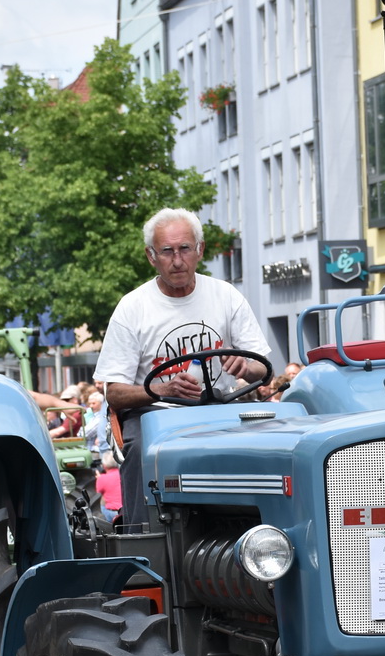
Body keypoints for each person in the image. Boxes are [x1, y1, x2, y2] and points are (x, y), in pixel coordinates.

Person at [93, 208, 271, 529]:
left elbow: (262, 366)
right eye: (167, 251)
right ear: (151, 257)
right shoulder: (133, 308)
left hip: (218, 407)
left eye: (185, 249)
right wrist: (161, 389)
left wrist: (245, 367)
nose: (177, 260)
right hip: (155, 413)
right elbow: (114, 393)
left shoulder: (226, 295)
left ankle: (258, 529)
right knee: (137, 451)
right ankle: (140, 537)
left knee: (267, 443)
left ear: (200, 250)